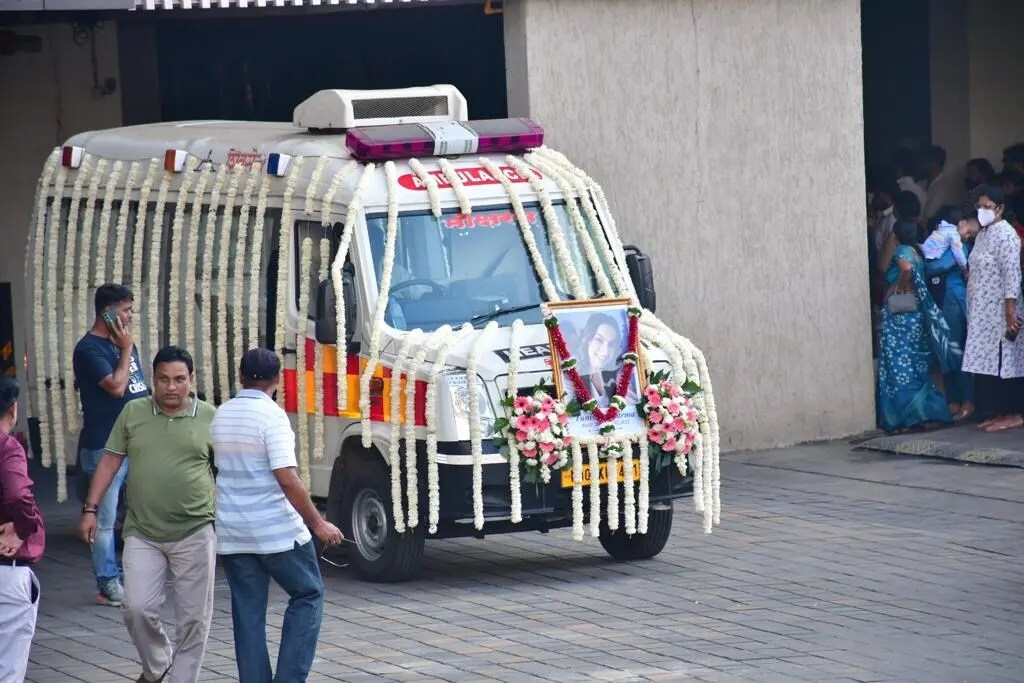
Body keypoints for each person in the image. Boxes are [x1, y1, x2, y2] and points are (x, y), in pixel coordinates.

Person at [78, 347, 216, 683]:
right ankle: (158, 666)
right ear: (152, 380)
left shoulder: (211, 417)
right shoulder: (133, 412)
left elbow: (229, 469)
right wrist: (90, 509)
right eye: (164, 379)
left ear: (191, 380)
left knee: (194, 619)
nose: (171, 387)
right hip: (142, 532)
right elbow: (110, 460)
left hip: (195, 530)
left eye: (179, 380)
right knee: (136, 608)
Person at [212, 349, 344, 683]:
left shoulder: (221, 414)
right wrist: (318, 523)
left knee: (247, 614)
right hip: (277, 533)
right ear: (277, 380)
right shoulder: (272, 417)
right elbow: (286, 476)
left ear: (240, 375)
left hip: (234, 532)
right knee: (308, 594)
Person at [72, 283, 148, 606]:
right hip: (104, 447)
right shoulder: (89, 349)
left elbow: (138, 388)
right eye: (126, 310)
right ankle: (108, 582)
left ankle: (136, 576)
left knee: (141, 515)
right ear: (107, 311)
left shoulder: (124, 343)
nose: (130, 316)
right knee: (104, 520)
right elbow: (117, 387)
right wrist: (127, 349)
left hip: (135, 444)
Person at [876, 221, 960, 432]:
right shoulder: (917, 251)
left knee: (900, 369)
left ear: (895, 236)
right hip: (914, 318)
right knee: (915, 370)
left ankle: (909, 418)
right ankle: (929, 412)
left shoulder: (903, 251)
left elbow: (906, 268)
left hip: (900, 320)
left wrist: (900, 287)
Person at [961, 186, 1024, 432]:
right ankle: (1000, 412)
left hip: (1001, 311)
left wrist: (1010, 313)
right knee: (991, 363)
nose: (983, 211)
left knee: (1007, 360)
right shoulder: (984, 233)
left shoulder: (1006, 235)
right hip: (983, 313)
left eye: (988, 207)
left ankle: (1015, 413)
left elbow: (1011, 275)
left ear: (1000, 208)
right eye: (980, 206)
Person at [0, 377, 45, 682]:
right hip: (7, 571)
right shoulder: (7, 447)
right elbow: (17, 493)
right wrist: (24, 526)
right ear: (13, 409)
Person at [922, 207, 975, 420]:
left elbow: (934, 267)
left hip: (953, 300)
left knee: (955, 349)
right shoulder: (942, 241)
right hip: (940, 300)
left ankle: (968, 400)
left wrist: (933, 263)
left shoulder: (961, 245)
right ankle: (952, 399)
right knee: (943, 350)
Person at [572, 313, 637, 407]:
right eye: (599, 340)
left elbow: (632, 407)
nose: (605, 351)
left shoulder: (620, 371)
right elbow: (567, 411)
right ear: (588, 341)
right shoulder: (572, 372)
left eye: (611, 344)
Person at [921, 145, 959, 221]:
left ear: (936, 163)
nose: (923, 164)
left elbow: (930, 213)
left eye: (925, 161)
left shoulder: (943, 185)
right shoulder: (922, 183)